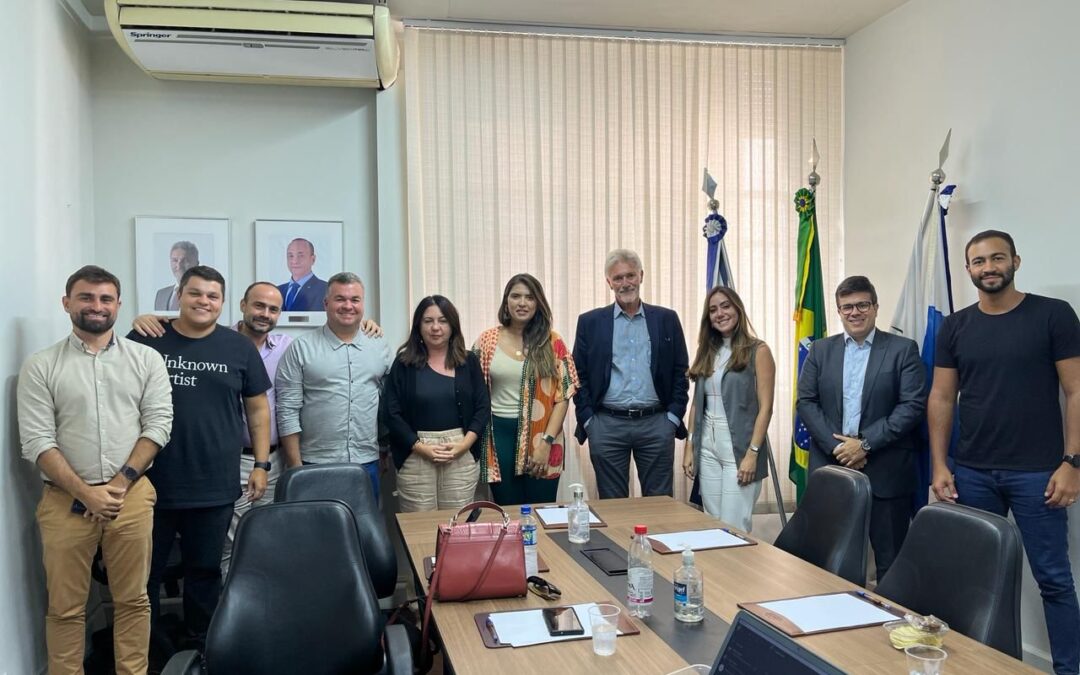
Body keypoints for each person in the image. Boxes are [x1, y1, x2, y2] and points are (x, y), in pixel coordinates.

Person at [929, 230, 1080, 675]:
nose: (988, 267)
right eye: (978, 261)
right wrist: (940, 464)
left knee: (1054, 581)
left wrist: (1073, 462)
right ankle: (982, 667)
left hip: (1040, 474)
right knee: (976, 581)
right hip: (972, 472)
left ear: (1015, 261)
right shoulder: (955, 326)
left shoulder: (1053, 315)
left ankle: (1069, 670)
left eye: (997, 258)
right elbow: (940, 398)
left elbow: (1075, 391)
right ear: (968, 269)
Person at [17, 265, 172, 675]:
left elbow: (158, 425)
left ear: (118, 306)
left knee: (133, 600)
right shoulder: (41, 365)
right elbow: (37, 441)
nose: (96, 306)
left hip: (131, 497)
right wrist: (87, 494)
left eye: (106, 299)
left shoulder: (146, 359)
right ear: (67, 303)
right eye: (86, 297)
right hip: (64, 500)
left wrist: (117, 487)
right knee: (65, 607)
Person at [127, 265, 272, 654]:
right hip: (149, 484)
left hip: (214, 484)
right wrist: (136, 320)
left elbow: (258, 409)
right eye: (195, 293)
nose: (203, 301)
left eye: (212, 296)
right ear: (179, 295)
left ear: (223, 304)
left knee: (205, 574)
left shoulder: (238, 347)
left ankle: (201, 650)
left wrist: (261, 464)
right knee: (144, 577)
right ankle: (150, 653)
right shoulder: (147, 338)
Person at [796, 275, 925, 581]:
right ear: (839, 312)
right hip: (833, 468)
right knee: (828, 561)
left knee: (890, 566)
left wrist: (864, 445)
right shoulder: (820, 351)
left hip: (887, 471)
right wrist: (840, 449)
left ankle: (889, 627)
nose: (855, 312)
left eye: (862, 305)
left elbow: (912, 406)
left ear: (876, 307)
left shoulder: (902, 349)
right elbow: (806, 401)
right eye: (847, 307)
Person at [573, 249, 689, 499]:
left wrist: (673, 418)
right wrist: (589, 421)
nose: (625, 283)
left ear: (641, 276)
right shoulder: (590, 323)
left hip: (657, 424)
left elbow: (681, 372)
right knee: (613, 505)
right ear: (609, 282)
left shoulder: (667, 319)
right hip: (606, 425)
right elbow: (578, 376)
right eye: (618, 278)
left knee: (659, 503)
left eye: (630, 276)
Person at [276, 272, 392, 496]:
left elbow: (388, 404)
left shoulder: (379, 346)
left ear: (362, 304)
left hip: (366, 462)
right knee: (317, 530)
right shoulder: (302, 348)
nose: (348, 306)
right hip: (314, 463)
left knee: (362, 529)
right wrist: (296, 466)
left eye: (355, 300)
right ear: (326, 303)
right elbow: (287, 411)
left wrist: (384, 450)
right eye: (340, 299)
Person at [472, 274, 579, 505]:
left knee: (541, 512)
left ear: (538, 302)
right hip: (499, 436)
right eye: (516, 296)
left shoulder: (552, 342)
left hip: (543, 436)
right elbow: (472, 390)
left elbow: (564, 396)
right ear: (506, 301)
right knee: (509, 513)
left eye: (529, 297)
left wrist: (546, 443)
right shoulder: (487, 340)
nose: (522, 302)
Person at [682, 286, 775, 532]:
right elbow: (696, 404)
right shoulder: (707, 352)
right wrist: (690, 447)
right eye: (713, 310)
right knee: (712, 522)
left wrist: (753, 453)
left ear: (737, 309)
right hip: (707, 446)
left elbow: (766, 408)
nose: (720, 313)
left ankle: (739, 571)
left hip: (740, 447)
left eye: (725, 306)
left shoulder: (759, 350)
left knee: (734, 526)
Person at [384, 296, 488, 512]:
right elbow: (391, 413)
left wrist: (464, 445)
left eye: (442, 321)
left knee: (457, 526)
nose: (435, 327)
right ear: (418, 326)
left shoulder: (469, 362)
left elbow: (482, 407)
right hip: (416, 454)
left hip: (460, 452)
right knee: (420, 530)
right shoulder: (403, 363)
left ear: (452, 325)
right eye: (427, 321)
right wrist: (420, 447)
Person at [277, 238, 328, 311]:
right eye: (291, 256)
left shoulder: (326, 290)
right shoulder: (277, 291)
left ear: (313, 259)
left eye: (300, 256)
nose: (294, 261)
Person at [154, 241, 199, 311]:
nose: (179, 266)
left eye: (185, 261)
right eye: (175, 260)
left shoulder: (205, 294)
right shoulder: (161, 295)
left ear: (196, 264)